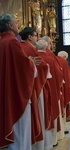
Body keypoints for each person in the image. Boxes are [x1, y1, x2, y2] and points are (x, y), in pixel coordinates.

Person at [0, 14, 36, 150]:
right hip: (17, 92)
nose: (17, 25)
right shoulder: (13, 41)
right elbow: (23, 65)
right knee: (21, 130)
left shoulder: (1, 42)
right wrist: (31, 63)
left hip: (6, 89)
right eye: (15, 22)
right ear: (9, 25)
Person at [20, 27, 53, 150]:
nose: (36, 38)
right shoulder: (30, 48)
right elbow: (42, 67)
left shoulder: (19, 46)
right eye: (35, 35)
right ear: (29, 36)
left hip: (21, 88)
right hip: (33, 88)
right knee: (37, 115)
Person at [37, 39, 63, 147]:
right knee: (50, 114)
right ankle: (52, 141)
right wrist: (58, 88)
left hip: (35, 92)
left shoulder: (33, 57)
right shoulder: (51, 58)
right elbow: (58, 75)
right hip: (51, 89)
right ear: (47, 45)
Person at [56, 51, 70, 136]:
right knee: (63, 108)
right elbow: (67, 78)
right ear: (64, 57)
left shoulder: (53, 59)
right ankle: (63, 128)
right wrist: (69, 89)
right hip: (63, 90)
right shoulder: (64, 62)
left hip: (54, 89)